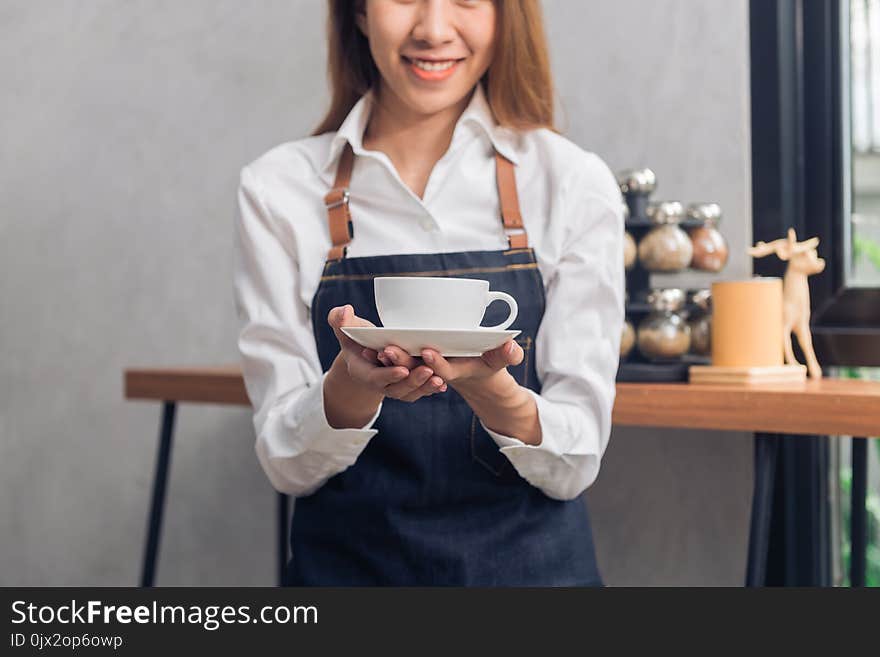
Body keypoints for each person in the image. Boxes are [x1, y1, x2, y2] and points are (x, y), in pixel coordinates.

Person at [233, 0, 625, 586]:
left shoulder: (570, 182)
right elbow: (287, 465)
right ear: (359, 14)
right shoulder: (278, 190)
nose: (434, 29)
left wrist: (496, 393)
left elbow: (576, 460)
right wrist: (345, 391)